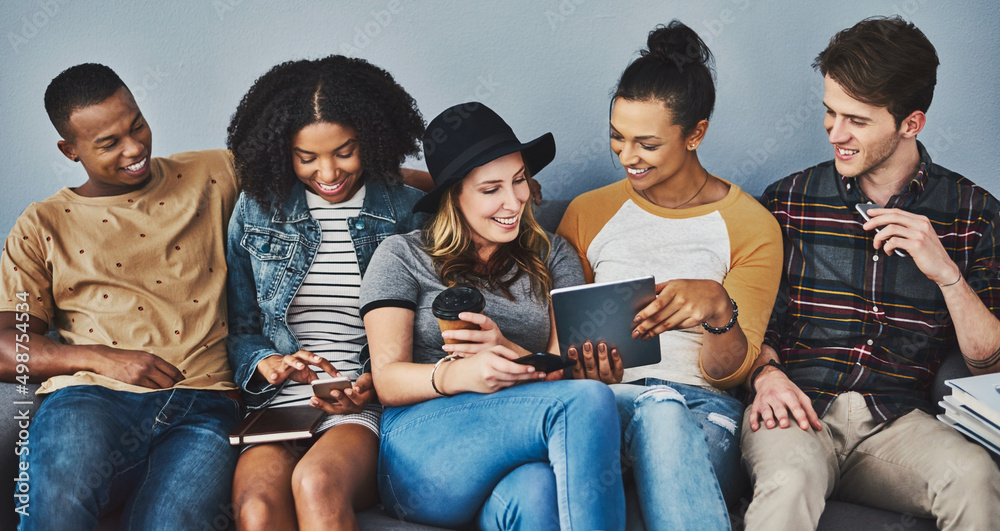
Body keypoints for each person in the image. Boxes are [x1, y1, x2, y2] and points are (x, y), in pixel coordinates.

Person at [742, 16, 1000, 530]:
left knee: (976, 478)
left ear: (912, 124)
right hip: (795, 410)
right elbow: (755, 327)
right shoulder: (787, 201)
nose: (835, 133)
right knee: (790, 483)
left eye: (856, 121)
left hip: (897, 422)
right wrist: (765, 376)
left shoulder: (974, 214)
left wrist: (946, 273)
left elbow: (988, 363)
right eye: (830, 113)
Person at [556, 21, 782, 530]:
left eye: (647, 144)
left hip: (701, 407)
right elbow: (563, 333)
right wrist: (586, 371)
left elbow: (732, 374)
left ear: (695, 133)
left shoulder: (751, 226)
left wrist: (720, 309)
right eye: (617, 137)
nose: (626, 156)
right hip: (604, 399)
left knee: (664, 414)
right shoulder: (589, 212)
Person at [359, 102, 626, 531]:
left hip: (516, 438)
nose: (514, 201)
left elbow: (564, 371)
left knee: (537, 493)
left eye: (519, 180)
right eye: (491, 189)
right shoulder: (401, 256)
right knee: (590, 401)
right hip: (424, 446)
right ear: (454, 196)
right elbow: (387, 380)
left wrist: (507, 351)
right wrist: (462, 375)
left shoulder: (553, 255)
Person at [0, 63, 240, 530]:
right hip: (92, 398)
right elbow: (6, 346)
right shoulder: (43, 223)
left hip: (205, 405)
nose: (134, 149)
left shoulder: (213, 172)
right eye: (109, 143)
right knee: (57, 507)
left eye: (137, 126)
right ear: (69, 150)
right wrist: (103, 359)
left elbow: (328, 165)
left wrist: (428, 192)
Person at [224, 55, 427, 530]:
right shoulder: (255, 211)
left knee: (317, 482)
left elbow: (424, 330)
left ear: (373, 140)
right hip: (281, 406)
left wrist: (373, 380)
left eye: (344, 151)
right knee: (256, 509)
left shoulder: (407, 212)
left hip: (363, 404)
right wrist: (265, 364)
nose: (328, 171)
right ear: (281, 151)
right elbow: (242, 327)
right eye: (306, 157)